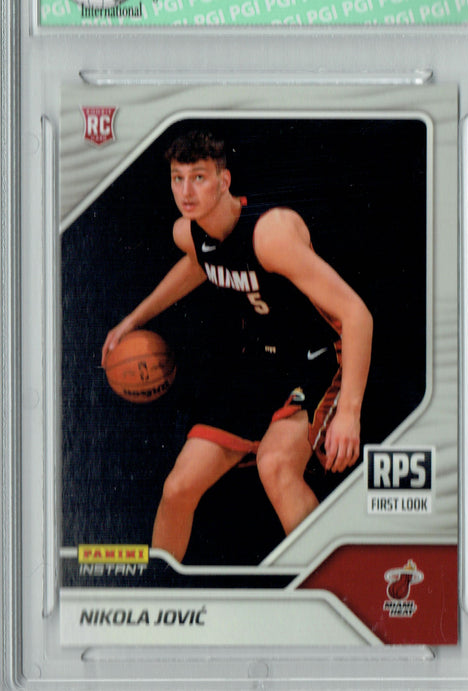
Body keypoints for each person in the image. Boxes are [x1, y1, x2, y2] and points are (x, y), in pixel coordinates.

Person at [102, 129, 373, 562]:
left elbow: (357, 315)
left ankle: (329, 582)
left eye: (199, 178)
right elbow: (199, 263)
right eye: (177, 179)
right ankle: (156, 589)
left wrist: (350, 413)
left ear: (224, 180)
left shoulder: (270, 234)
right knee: (178, 487)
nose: (186, 192)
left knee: (276, 465)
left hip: (318, 359)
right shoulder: (189, 233)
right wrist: (134, 319)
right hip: (262, 365)